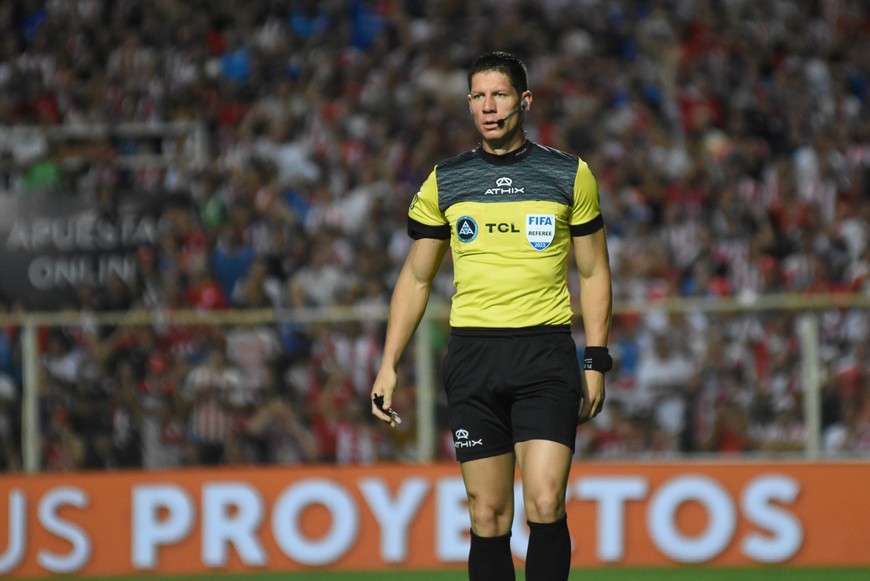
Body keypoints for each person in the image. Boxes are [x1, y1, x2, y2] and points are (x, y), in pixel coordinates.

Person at [370, 51, 612, 581]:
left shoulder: (569, 174)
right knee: (487, 515)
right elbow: (416, 279)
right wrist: (388, 364)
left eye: (499, 95)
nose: (488, 106)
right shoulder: (446, 181)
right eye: (478, 97)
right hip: (473, 358)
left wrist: (595, 359)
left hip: (545, 354)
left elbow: (594, 271)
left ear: (524, 101)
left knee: (545, 501)